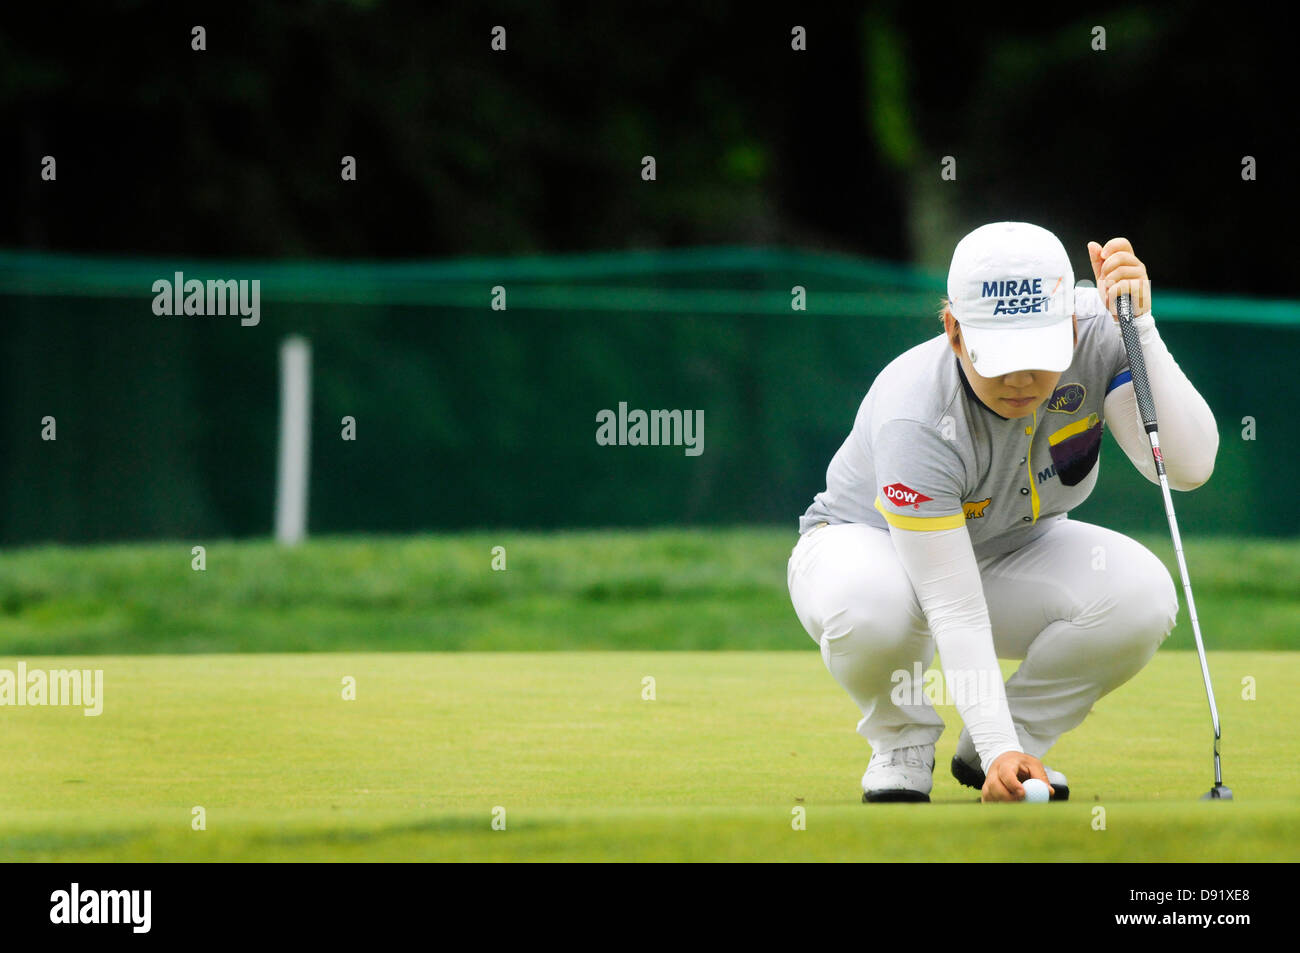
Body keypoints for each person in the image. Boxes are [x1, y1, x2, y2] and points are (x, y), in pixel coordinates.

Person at [786, 222, 1219, 802]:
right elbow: (952, 603)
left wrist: (1141, 328)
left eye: (1038, 353)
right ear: (955, 332)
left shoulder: (1102, 330)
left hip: (1012, 543)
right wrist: (997, 743)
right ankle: (902, 744)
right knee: (874, 606)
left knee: (1141, 594)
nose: (1019, 380)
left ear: (1070, 324)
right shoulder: (914, 413)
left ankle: (1017, 746)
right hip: (866, 544)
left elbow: (1187, 467)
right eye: (999, 357)